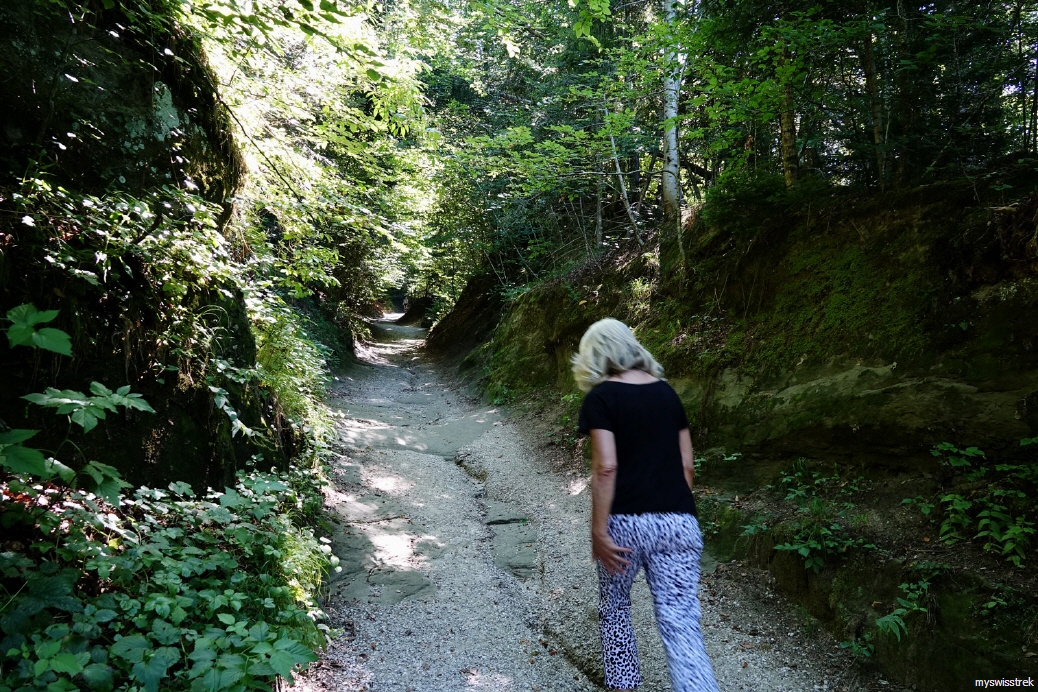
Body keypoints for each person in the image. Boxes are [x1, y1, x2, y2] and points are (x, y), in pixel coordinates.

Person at [573, 318, 719, 692]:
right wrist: (671, 512)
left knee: (616, 609)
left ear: (596, 354)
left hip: (625, 525)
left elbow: (606, 467)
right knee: (680, 619)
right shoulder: (668, 394)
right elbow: (688, 466)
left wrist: (598, 531)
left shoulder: (601, 398)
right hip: (678, 523)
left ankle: (624, 686)